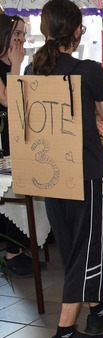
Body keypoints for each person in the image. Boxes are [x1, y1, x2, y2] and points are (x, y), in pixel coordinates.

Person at [29, 0, 103, 338]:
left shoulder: (33, 68)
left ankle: (97, 311)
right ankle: (65, 333)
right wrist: (96, 119)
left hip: (51, 173)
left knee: (71, 245)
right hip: (86, 173)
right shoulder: (89, 70)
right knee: (89, 247)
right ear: (78, 31)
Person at [0, 14, 43, 278]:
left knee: (22, 189)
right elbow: (7, 99)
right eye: (17, 33)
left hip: (18, 135)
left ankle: (18, 248)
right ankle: (12, 254)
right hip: (2, 139)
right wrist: (16, 64)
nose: (21, 39)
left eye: (24, 34)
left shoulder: (16, 65)